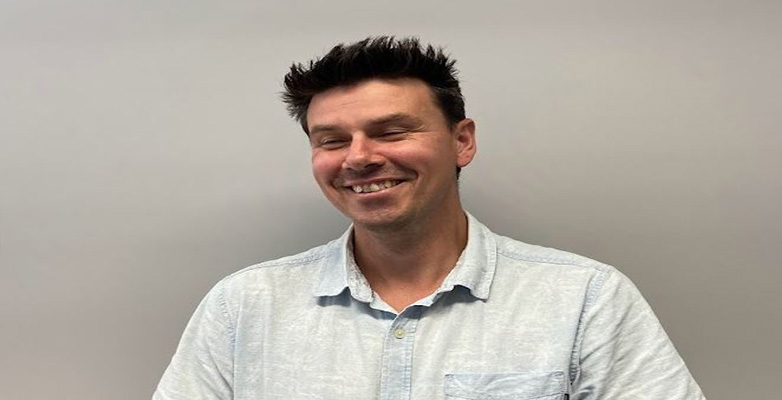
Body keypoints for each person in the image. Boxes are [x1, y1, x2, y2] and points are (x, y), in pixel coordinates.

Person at [154, 36, 705, 399]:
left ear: (462, 141)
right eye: (332, 140)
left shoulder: (585, 298)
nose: (358, 158)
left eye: (392, 132)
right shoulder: (244, 306)